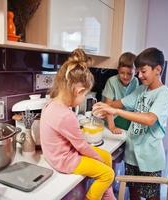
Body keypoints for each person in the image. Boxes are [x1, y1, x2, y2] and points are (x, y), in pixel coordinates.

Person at [93, 47, 168, 200]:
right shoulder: (142, 89)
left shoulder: (164, 94)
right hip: (132, 155)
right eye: (139, 72)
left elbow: (150, 119)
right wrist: (105, 106)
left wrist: (116, 111)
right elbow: (121, 103)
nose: (139, 75)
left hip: (150, 157)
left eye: (143, 71)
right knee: (134, 194)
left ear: (157, 69)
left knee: (151, 197)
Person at [40, 49, 115, 200]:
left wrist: (99, 158)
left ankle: (107, 196)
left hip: (54, 156)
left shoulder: (51, 104)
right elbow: (81, 146)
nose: (84, 98)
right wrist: (96, 158)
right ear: (78, 91)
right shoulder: (66, 115)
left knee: (107, 157)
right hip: (64, 161)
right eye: (85, 94)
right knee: (108, 174)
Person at [102, 52, 139, 134]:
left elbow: (134, 102)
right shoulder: (111, 81)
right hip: (114, 117)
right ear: (118, 69)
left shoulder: (135, 81)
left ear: (136, 71)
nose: (125, 77)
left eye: (129, 74)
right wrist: (112, 127)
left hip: (127, 115)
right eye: (122, 73)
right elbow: (108, 106)